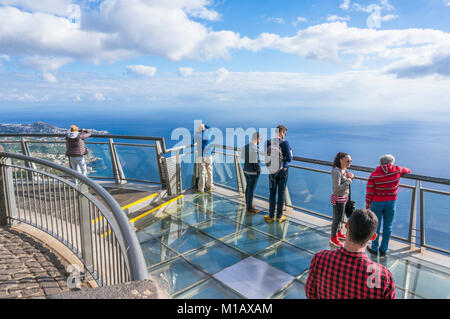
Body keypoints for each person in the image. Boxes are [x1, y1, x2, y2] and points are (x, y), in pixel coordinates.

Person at [305, 208, 397, 299]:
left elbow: (310, 294)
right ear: (373, 237)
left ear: (347, 225)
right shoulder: (383, 277)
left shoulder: (321, 259)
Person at [366, 154, 411, 256]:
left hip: (377, 202)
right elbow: (408, 170)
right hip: (391, 202)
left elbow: (370, 190)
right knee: (388, 226)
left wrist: (368, 202)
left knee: (375, 225)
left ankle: (374, 248)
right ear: (392, 162)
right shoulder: (397, 170)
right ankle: (384, 249)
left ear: (381, 163)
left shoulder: (374, 174)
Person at [264, 125, 292, 223]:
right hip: (282, 171)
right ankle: (279, 216)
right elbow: (289, 158)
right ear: (281, 132)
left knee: (272, 193)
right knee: (281, 193)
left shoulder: (268, 142)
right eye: (284, 133)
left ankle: (271, 216)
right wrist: (290, 153)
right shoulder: (285, 143)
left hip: (272, 170)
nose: (284, 135)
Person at [330, 152, 354, 247]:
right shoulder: (336, 171)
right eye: (347, 161)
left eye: (350, 161)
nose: (349, 163)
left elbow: (345, 180)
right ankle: (333, 238)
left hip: (344, 198)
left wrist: (349, 176)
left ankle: (338, 233)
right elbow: (336, 188)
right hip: (339, 198)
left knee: (341, 218)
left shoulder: (344, 170)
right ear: (341, 160)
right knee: (337, 219)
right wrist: (348, 181)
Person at [241, 132, 261, 214]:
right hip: (253, 172)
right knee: (251, 190)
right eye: (260, 139)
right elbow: (255, 162)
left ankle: (248, 204)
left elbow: (242, 157)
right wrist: (259, 170)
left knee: (248, 188)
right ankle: (249, 208)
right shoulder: (255, 148)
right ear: (257, 139)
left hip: (246, 170)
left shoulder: (245, 146)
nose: (260, 140)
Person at [194, 123, 214, 194]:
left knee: (202, 172)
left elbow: (193, 142)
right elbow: (211, 128)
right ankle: (209, 187)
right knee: (209, 171)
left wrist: (197, 131)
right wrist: (205, 125)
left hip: (201, 155)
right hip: (208, 155)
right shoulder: (208, 133)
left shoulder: (197, 135)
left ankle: (201, 189)